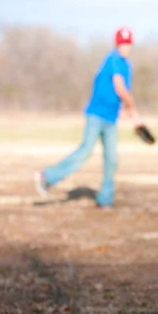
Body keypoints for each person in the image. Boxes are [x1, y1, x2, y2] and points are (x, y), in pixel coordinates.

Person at [34, 27, 140, 208]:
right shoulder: (113, 59)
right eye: (122, 43)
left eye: (128, 43)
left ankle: (105, 198)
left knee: (112, 158)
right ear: (117, 44)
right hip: (96, 115)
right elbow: (120, 88)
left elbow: (120, 94)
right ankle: (47, 177)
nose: (125, 47)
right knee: (86, 150)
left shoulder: (127, 66)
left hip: (111, 118)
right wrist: (134, 110)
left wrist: (125, 110)